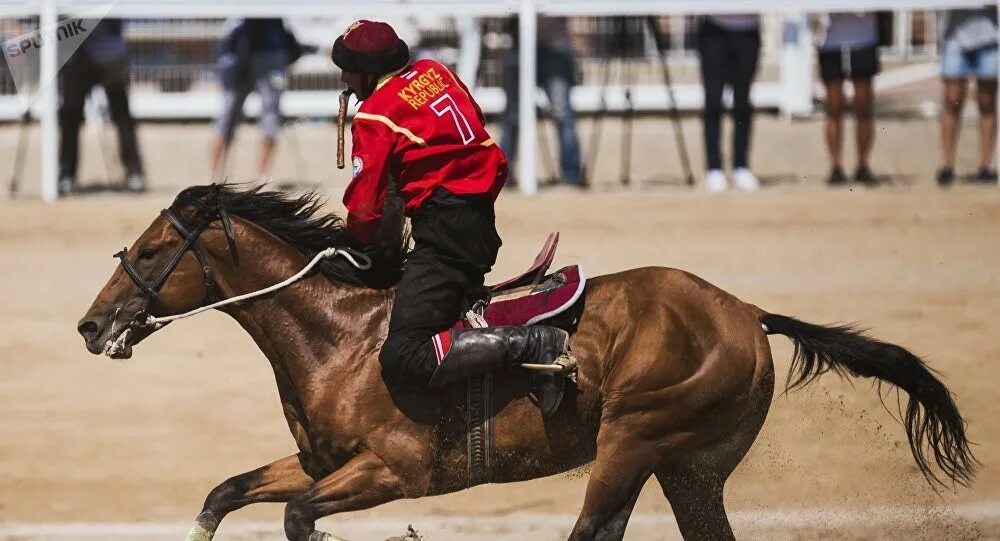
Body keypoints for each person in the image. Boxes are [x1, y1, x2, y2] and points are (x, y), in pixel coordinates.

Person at [330, 20, 570, 390]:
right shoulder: (436, 71)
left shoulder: (375, 116)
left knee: (403, 355)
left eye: (347, 70)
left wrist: (355, 244)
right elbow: (475, 123)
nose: (345, 79)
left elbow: (366, 208)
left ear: (366, 72)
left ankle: (532, 343)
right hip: (476, 219)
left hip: (445, 233)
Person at [58, 19, 145, 195]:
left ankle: (135, 174)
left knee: (122, 116)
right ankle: (66, 175)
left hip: (109, 52)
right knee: (70, 115)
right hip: (75, 52)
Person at [209, 18, 301, 180]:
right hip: (241, 46)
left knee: (270, 112)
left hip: (269, 45)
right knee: (230, 111)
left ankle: (262, 176)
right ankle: (215, 174)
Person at [500, 16, 583, 188]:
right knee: (512, 116)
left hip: (554, 43)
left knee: (562, 112)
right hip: (519, 44)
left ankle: (571, 175)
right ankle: (503, 174)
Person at [697, 14, 761, 192]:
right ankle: (714, 167)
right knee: (713, 100)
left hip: (748, 28)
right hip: (715, 27)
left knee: (742, 100)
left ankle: (741, 165)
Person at [816, 12, 880, 186]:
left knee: (863, 104)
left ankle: (862, 165)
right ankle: (836, 166)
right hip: (831, 41)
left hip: (863, 39)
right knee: (834, 105)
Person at [938, 7, 998, 186]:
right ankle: (947, 165)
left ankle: (985, 166)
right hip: (956, 34)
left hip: (991, 33)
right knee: (952, 100)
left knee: (987, 101)